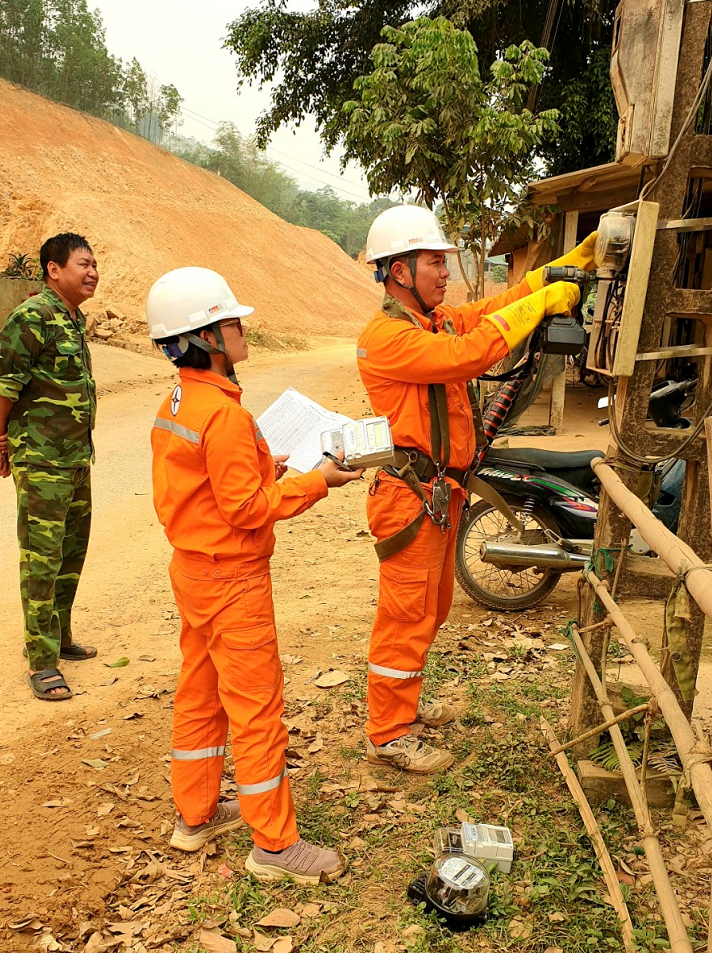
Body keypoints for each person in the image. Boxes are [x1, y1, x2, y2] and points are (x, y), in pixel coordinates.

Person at [357, 205, 597, 773]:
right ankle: (387, 733)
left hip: (440, 492)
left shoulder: (431, 322)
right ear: (398, 272)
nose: (446, 272)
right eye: (435, 262)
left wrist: (554, 273)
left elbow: (489, 311)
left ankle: (405, 708)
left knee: (431, 610)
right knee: (406, 616)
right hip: (411, 497)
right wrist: (541, 306)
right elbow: (468, 354)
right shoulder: (387, 337)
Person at [148, 266, 364, 882]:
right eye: (231, 321)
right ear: (205, 338)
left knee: (199, 691)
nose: (241, 328)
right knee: (255, 706)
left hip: (192, 568)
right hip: (231, 578)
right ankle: (274, 845)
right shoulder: (222, 414)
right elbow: (244, 508)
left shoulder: (179, 402)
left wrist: (268, 463)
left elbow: (208, 484)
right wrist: (317, 481)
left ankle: (194, 815)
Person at [0, 233, 100, 702]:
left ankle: (58, 637)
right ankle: (41, 663)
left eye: (95, 264)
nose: (93, 272)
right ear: (53, 270)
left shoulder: (73, 319)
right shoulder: (32, 316)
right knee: (41, 559)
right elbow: (5, 385)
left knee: (70, 555)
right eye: (83, 263)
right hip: (41, 461)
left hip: (75, 458)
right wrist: (1, 439)